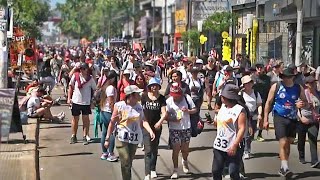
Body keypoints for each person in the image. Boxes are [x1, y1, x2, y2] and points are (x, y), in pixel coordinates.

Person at [104, 85, 155, 180]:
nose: (140, 95)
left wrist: (150, 131)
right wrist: (107, 138)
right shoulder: (119, 106)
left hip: (134, 139)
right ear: (131, 95)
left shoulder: (139, 107)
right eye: (137, 93)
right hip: (122, 138)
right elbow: (112, 123)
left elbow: (143, 120)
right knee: (126, 161)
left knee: (128, 163)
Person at [264, 67, 307, 177]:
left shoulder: (298, 88)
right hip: (279, 116)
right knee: (283, 142)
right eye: (284, 77)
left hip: (292, 118)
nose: (286, 79)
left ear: (293, 77)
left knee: (289, 142)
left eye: (288, 77)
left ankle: (283, 167)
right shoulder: (276, 86)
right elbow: (268, 102)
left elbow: (305, 102)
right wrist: (265, 119)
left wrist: (301, 104)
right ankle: (286, 167)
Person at [212, 84, 247, 180]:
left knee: (233, 172)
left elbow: (242, 128)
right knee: (216, 171)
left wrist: (235, 145)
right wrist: (212, 122)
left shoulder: (240, 110)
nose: (221, 97)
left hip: (233, 145)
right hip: (219, 145)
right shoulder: (223, 107)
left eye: (222, 95)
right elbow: (218, 125)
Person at [166, 83, 197, 179]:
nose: (176, 98)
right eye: (174, 96)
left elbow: (195, 109)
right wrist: (173, 119)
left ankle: (185, 160)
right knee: (175, 149)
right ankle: (175, 170)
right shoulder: (168, 101)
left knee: (185, 148)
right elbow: (165, 116)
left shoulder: (187, 98)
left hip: (186, 127)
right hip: (174, 128)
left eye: (177, 96)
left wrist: (188, 111)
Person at [141, 78, 167, 180]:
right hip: (146, 126)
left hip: (157, 126)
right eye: (152, 85)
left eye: (156, 85)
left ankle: (153, 169)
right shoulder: (144, 97)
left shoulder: (161, 98)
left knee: (154, 148)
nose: (154, 87)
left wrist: (160, 122)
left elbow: (164, 113)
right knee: (147, 149)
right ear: (149, 87)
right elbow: (141, 110)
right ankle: (147, 173)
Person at [68, 63, 97, 145]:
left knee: (86, 119)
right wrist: (69, 98)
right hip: (76, 101)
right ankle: (73, 136)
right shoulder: (76, 76)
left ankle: (85, 136)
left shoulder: (90, 79)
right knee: (75, 119)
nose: (84, 70)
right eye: (82, 69)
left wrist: (93, 100)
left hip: (86, 102)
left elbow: (95, 89)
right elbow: (70, 87)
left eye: (85, 69)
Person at [297, 76, 320, 167]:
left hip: (314, 121)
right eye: (311, 83)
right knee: (301, 140)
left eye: (314, 82)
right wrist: (301, 118)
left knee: (313, 139)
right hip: (302, 120)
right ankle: (301, 156)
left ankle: (314, 161)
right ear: (306, 84)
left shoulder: (318, 94)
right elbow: (296, 108)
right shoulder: (302, 94)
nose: (313, 84)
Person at [240, 75, 263, 159]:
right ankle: (246, 151)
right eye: (247, 83)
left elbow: (259, 104)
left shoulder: (256, 93)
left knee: (251, 134)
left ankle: (246, 147)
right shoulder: (241, 94)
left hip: (253, 116)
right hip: (244, 116)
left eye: (250, 83)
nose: (249, 85)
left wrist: (260, 114)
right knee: (246, 133)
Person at [99, 70, 118, 162]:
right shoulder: (111, 88)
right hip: (109, 112)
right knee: (112, 133)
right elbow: (111, 102)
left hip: (103, 111)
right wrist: (115, 113)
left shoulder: (105, 86)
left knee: (104, 132)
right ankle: (110, 153)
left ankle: (104, 153)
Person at [252, 63, 271, 142]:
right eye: (258, 67)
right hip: (253, 99)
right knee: (253, 117)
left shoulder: (267, 78)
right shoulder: (252, 77)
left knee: (261, 117)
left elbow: (269, 89)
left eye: (261, 67)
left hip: (264, 99)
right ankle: (252, 133)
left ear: (264, 68)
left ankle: (259, 134)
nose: (259, 69)